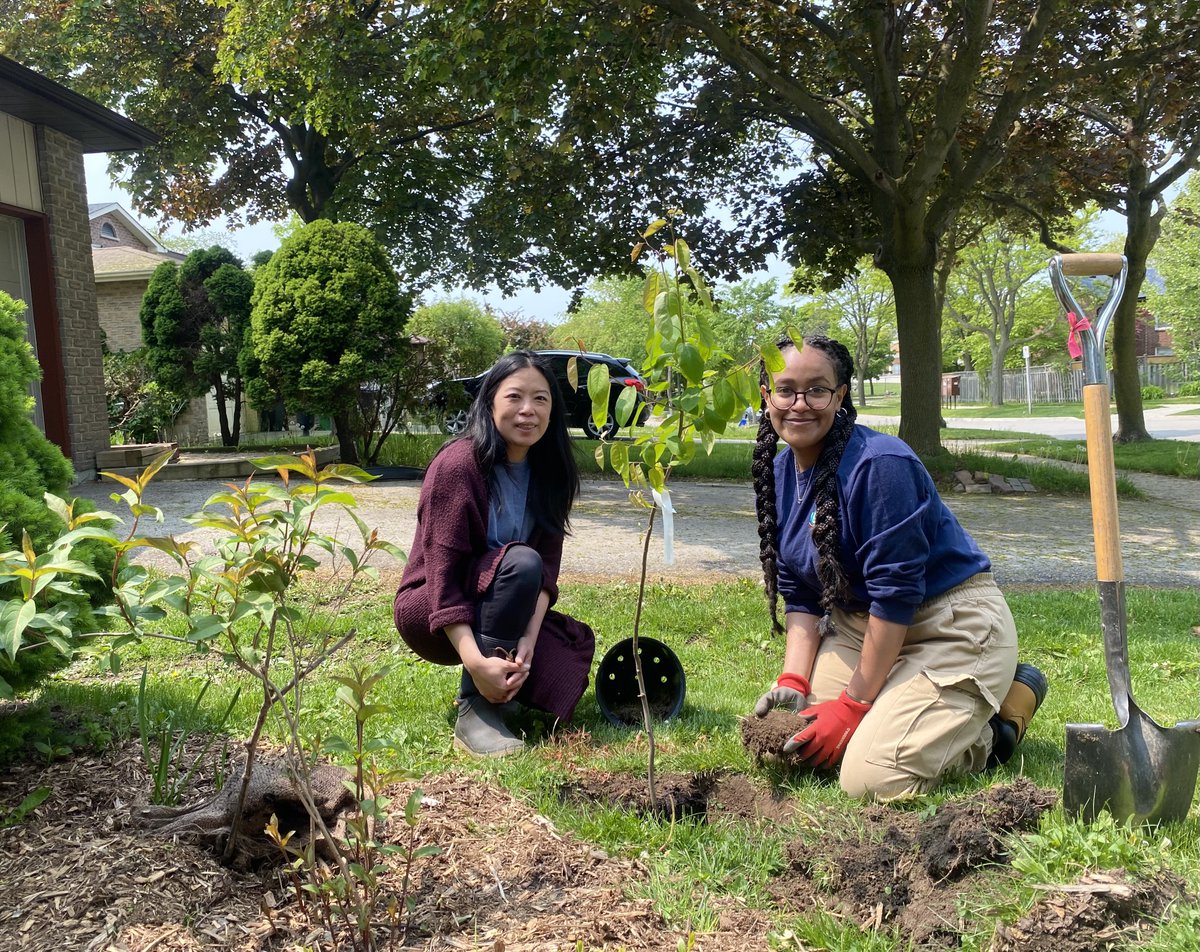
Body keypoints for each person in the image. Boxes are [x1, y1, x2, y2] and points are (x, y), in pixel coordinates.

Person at [750, 335, 1047, 799]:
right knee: (798, 747)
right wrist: (793, 678)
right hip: (859, 627)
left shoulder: (880, 464)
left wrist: (853, 705)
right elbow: (801, 591)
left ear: (841, 395)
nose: (800, 404)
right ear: (767, 395)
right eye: (785, 390)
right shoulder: (782, 470)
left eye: (818, 390)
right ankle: (907, 707)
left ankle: (1001, 722)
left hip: (948, 626)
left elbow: (897, 593)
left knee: (869, 777)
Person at [393, 351, 595, 757]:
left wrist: (528, 643)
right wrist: (475, 664)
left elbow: (545, 576)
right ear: (490, 403)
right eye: (514, 397)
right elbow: (444, 576)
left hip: (500, 597)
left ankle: (506, 688)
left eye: (541, 400)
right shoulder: (458, 465)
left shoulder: (550, 473)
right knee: (521, 561)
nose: (528, 411)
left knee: (567, 655)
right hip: (431, 607)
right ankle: (475, 709)